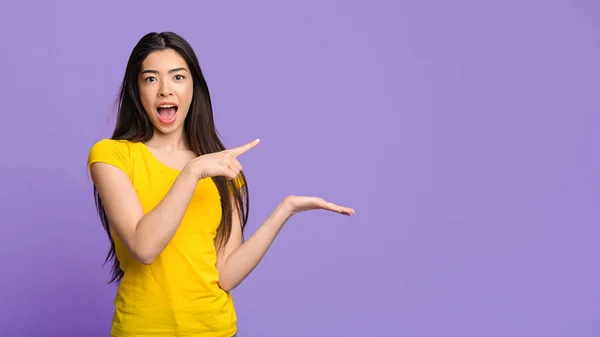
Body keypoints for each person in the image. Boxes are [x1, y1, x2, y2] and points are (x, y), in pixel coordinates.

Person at [87, 31, 354, 337]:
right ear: (137, 90)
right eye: (150, 79)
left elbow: (225, 274)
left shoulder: (221, 169)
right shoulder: (112, 156)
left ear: (193, 87)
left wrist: (284, 210)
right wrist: (192, 171)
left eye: (177, 77)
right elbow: (144, 248)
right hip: (142, 329)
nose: (164, 90)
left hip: (215, 328)